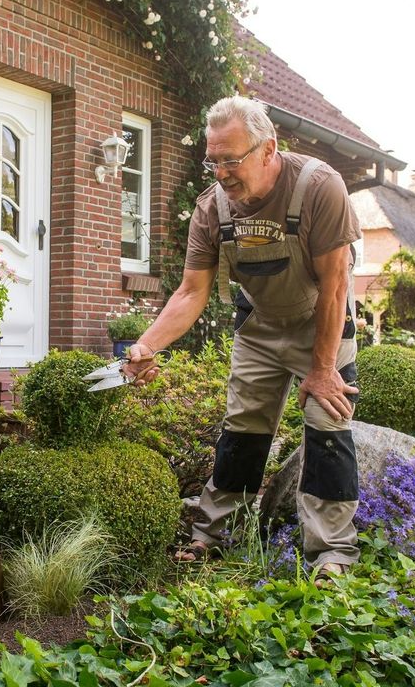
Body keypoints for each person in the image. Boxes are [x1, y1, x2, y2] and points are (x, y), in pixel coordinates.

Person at [124, 96, 361, 581]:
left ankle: (331, 554)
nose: (221, 173)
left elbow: (335, 285)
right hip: (260, 325)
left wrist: (322, 369)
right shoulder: (212, 208)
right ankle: (212, 535)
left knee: (327, 423)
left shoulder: (319, 187)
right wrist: (147, 346)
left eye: (231, 160)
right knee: (242, 429)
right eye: (213, 161)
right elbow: (191, 292)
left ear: (268, 148)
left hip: (321, 320)